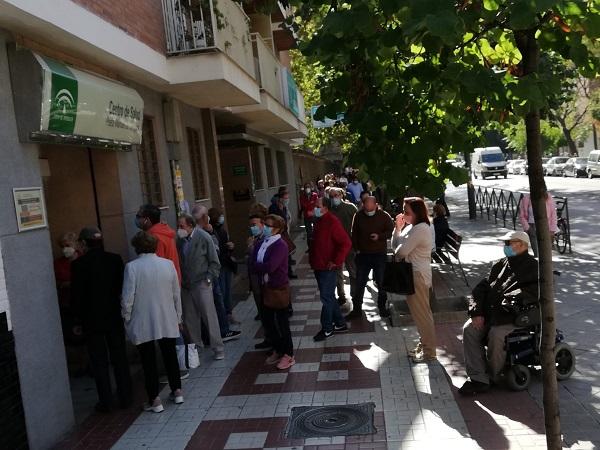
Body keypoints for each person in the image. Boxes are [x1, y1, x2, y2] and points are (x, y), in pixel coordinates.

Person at [459, 231, 539, 395]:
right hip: (492, 313)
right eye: (506, 244)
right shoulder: (501, 264)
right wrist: (476, 312)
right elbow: (481, 289)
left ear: (522, 245)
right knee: (469, 330)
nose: (506, 247)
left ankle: (492, 374)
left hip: (513, 315)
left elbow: (531, 294)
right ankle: (478, 377)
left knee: (496, 335)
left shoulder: (533, 267)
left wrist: (508, 302)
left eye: (509, 243)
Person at [70, 227, 132, 412]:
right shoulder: (114, 260)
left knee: (99, 361)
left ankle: (106, 400)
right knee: (119, 357)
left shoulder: (78, 265)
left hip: (91, 320)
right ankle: (125, 396)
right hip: (113, 316)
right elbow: (123, 287)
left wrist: (77, 320)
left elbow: (76, 296)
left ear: (83, 243)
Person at [121, 232, 183, 413]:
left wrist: (126, 317)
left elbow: (127, 297)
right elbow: (175, 293)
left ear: (136, 247)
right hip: (167, 317)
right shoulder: (168, 264)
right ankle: (177, 390)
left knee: (148, 360)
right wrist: (178, 316)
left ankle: (154, 399)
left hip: (143, 319)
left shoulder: (132, 267)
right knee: (170, 355)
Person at [393, 197, 437, 363]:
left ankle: (429, 353)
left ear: (417, 213)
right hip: (412, 275)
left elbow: (401, 252)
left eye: (407, 212)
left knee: (422, 316)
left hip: (418, 276)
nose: (404, 215)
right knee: (420, 315)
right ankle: (424, 345)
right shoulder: (412, 227)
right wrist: (397, 229)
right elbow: (395, 245)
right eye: (403, 211)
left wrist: (401, 245)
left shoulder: (421, 229)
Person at [176, 214, 225, 360]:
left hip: (202, 282)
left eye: (182, 226)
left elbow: (214, 261)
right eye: (178, 226)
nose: (179, 229)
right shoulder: (180, 241)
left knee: (209, 316)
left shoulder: (203, 237)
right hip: (186, 285)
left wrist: (209, 278)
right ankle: (196, 347)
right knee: (190, 319)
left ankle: (218, 347)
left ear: (190, 225)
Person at [251, 214, 295, 369]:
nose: (266, 227)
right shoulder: (262, 242)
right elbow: (252, 261)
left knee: (282, 324)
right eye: (265, 224)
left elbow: (271, 266)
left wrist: (257, 266)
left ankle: (288, 354)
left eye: (269, 225)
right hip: (266, 288)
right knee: (268, 323)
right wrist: (257, 265)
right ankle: (278, 349)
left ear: (277, 228)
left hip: (278, 288)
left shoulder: (280, 245)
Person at [191, 206, 240, 342]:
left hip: (206, 275)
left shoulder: (203, 232)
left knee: (215, 302)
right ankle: (221, 332)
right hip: (208, 275)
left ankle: (215, 333)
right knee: (215, 303)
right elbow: (214, 251)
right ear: (204, 217)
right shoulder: (201, 234)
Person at [310, 197, 352, 341]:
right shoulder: (318, 220)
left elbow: (345, 243)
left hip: (328, 267)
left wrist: (336, 261)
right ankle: (340, 323)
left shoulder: (332, 221)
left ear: (326, 208)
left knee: (326, 297)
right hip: (318, 265)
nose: (315, 207)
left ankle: (327, 328)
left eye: (318, 205)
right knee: (329, 296)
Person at [349, 196, 394, 319]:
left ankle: (382, 308)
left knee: (381, 283)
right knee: (359, 283)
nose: (369, 211)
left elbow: (390, 231)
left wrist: (379, 236)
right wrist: (356, 249)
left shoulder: (384, 216)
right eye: (366, 208)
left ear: (376, 205)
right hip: (363, 254)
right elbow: (354, 233)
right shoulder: (358, 216)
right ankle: (357, 309)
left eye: (371, 208)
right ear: (363, 206)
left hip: (379, 254)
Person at [208, 207, 239, 326]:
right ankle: (224, 317)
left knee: (227, 291)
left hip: (226, 263)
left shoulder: (222, 230)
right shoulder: (211, 232)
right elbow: (217, 249)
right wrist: (227, 247)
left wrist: (231, 247)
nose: (222, 218)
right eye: (220, 215)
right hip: (220, 265)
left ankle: (229, 314)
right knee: (221, 292)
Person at [136, 204, 182, 282]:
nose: (137, 219)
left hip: (164, 284)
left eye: (139, 216)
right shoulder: (164, 232)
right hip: (171, 281)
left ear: (147, 220)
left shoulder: (154, 238)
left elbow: (156, 267)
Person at [329, 188, 358, 305]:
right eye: (331, 196)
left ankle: (355, 294)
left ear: (341, 195)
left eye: (336, 195)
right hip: (335, 247)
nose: (334, 198)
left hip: (350, 245)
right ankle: (341, 295)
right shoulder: (329, 210)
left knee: (353, 271)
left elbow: (357, 225)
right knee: (337, 272)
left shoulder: (350, 208)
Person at [518, 189, 557, 257]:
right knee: (537, 252)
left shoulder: (548, 198)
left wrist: (552, 229)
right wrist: (527, 227)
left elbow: (553, 215)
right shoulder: (526, 199)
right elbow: (522, 216)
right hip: (532, 226)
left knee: (544, 249)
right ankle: (538, 259)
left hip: (545, 225)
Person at [269, 190, 297, 279]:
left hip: (284, 232)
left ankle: (289, 272)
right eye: (285, 198)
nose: (287, 200)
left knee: (287, 253)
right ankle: (285, 272)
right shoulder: (273, 208)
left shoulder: (284, 207)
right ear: (280, 199)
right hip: (277, 233)